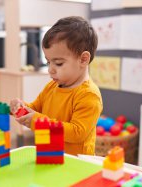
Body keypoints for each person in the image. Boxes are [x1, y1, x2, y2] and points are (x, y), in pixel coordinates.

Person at [10, 16, 102, 155]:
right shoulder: (52, 87)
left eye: (58, 63)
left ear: (83, 59)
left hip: (75, 164)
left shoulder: (88, 95)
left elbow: (77, 133)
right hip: (47, 155)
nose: (50, 69)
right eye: (48, 62)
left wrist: (39, 122)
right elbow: (35, 108)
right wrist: (21, 108)